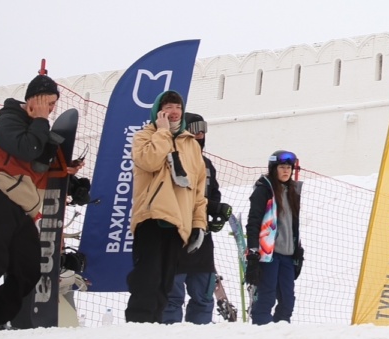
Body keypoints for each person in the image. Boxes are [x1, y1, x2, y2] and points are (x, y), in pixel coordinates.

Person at [0, 72, 79, 336]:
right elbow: (28, 149)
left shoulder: (39, 126)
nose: (50, 108)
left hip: (21, 206)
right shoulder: (8, 120)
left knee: (28, 268)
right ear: (32, 100)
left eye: (53, 103)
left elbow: (36, 168)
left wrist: (66, 173)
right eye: (47, 101)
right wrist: (41, 121)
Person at [125, 91, 207, 324]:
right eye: (168, 107)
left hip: (178, 222)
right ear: (158, 112)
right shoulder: (145, 136)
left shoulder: (191, 145)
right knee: (146, 279)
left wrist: (199, 224)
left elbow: (199, 191)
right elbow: (149, 161)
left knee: (165, 283)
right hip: (152, 217)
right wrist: (162, 132)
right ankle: (137, 326)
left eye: (178, 108)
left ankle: (154, 328)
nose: (174, 112)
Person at [162, 113, 229, 325]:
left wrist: (216, 216)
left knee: (203, 296)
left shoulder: (207, 164)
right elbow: (180, 196)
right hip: (175, 236)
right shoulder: (171, 159)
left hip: (201, 238)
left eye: (202, 131)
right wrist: (214, 206)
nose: (199, 135)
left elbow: (213, 195)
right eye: (194, 130)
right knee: (172, 298)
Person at [245, 150, 304, 325]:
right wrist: (253, 250)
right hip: (268, 254)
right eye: (282, 167)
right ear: (273, 168)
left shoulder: (293, 191)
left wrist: (298, 249)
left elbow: (292, 224)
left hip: (287, 254)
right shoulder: (264, 190)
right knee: (267, 296)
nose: (286, 171)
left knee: (287, 299)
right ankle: (261, 330)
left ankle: (281, 330)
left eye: (288, 168)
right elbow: (254, 221)